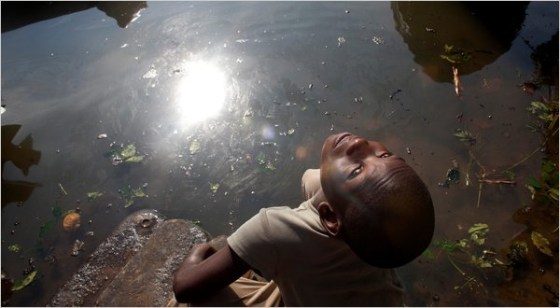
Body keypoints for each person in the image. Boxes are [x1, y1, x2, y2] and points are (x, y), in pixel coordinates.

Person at [173, 132, 435, 306]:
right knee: (313, 178)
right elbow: (317, 181)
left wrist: (199, 251)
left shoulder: (273, 229)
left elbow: (186, 289)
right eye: (384, 156)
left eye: (356, 170)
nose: (360, 144)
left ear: (330, 217)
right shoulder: (378, 234)